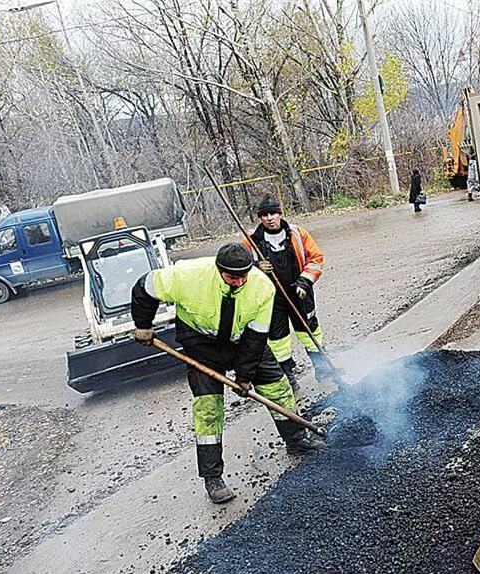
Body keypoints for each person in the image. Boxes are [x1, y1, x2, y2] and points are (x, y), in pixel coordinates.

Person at [131, 242, 325, 504]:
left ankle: (296, 437)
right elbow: (144, 287)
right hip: (200, 345)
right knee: (208, 409)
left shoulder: (261, 287)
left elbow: (256, 339)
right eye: (233, 277)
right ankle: (213, 477)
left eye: (244, 275)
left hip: (243, 341)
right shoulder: (186, 276)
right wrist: (143, 324)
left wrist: (244, 377)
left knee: (277, 387)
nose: (239, 281)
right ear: (219, 269)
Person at [243, 194, 331, 391]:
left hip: (299, 293)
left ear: (280, 214)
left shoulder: (298, 234)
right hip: (270, 299)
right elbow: (240, 266)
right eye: (264, 215)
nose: (269, 218)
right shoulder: (251, 241)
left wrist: (304, 282)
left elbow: (316, 258)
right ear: (260, 218)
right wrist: (256, 266)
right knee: (278, 338)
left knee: (309, 330)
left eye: (273, 213)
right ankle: (288, 375)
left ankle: (322, 367)